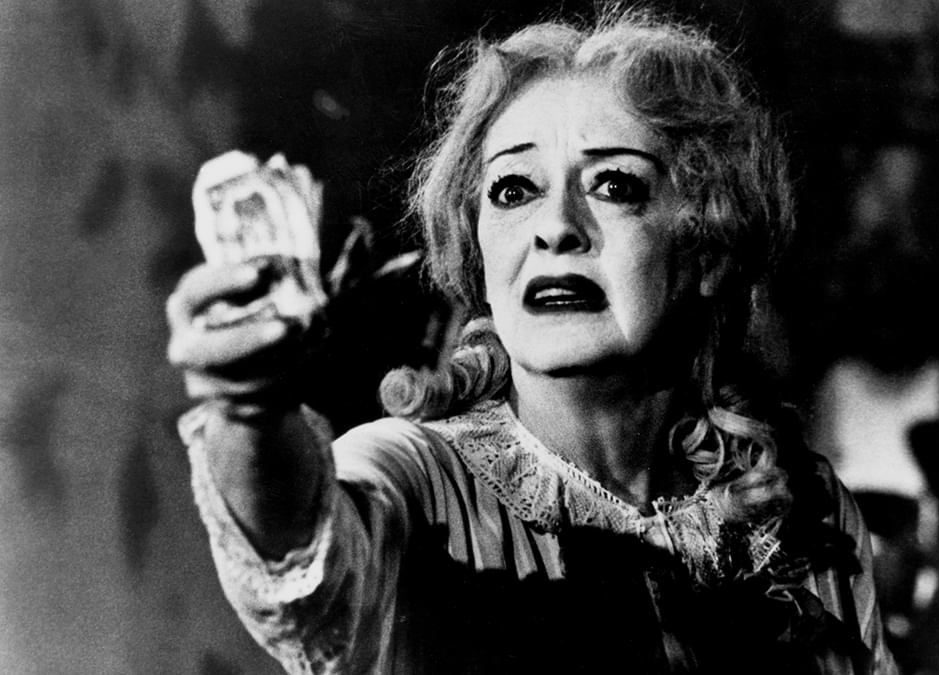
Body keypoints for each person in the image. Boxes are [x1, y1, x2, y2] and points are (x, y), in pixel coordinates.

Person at [167, 10, 897, 675]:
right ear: (480, 252)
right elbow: (298, 555)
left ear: (708, 247)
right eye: (514, 190)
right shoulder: (415, 476)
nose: (555, 228)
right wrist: (250, 407)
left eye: (614, 185)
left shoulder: (805, 512)